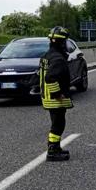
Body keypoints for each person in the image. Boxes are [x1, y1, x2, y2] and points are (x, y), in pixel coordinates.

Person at [39, 26, 73, 162]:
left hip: (46, 95)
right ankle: (52, 150)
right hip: (53, 98)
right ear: (62, 42)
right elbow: (50, 78)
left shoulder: (47, 55)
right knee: (58, 124)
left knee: (57, 122)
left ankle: (55, 148)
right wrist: (57, 94)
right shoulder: (58, 58)